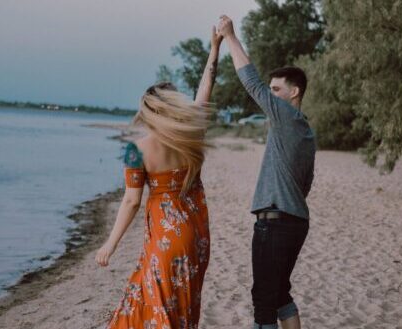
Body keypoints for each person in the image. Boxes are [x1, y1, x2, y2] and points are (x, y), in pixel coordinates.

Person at [95, 26, 223, 329]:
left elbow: (130, 201)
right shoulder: (191, 136)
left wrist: (109, 245)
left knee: (152, 306)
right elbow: (208, 84)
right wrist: (215, 48)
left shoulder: (135, 150)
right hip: (196, 238)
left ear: (148, 112)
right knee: (182, 308)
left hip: (164, 241)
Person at [217, 15, 316, 329]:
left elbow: (251, 83)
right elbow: (306, 183)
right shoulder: (306, 131)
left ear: (294, 92)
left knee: (263, 303)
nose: (270, 95)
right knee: (280, 294)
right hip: (296, 221)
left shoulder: (285, 115)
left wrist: (230, 37)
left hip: (275, 223)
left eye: (277, 90)